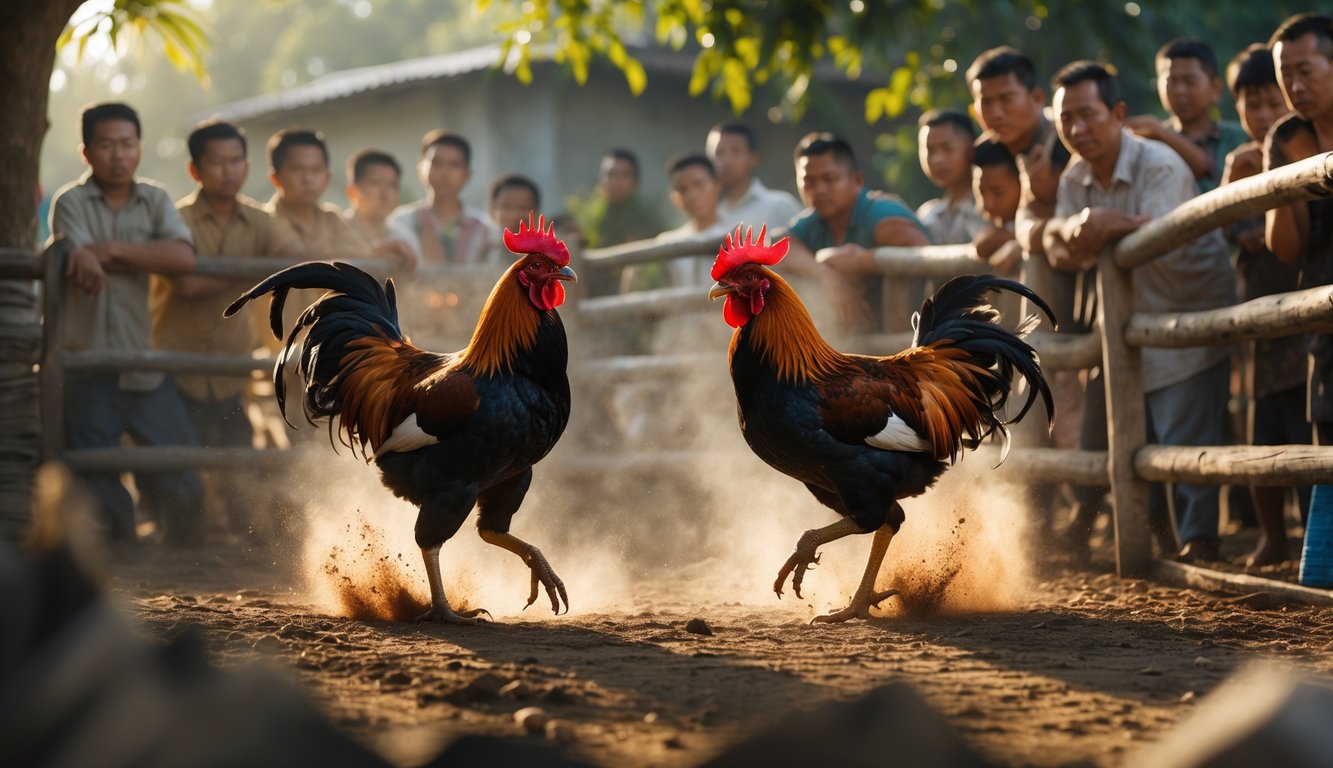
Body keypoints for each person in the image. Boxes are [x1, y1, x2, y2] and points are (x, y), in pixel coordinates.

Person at [1042, 61, 1236, 562]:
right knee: (1135, 435)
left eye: (1088, 115)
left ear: (1118, 113)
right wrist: (1085, 226)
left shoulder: (1160, 164)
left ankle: (1201, 544)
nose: (1078, 130)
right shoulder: (1077, 174)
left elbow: (1156, 238)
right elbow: (1059, 246)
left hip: (1187, 312)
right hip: (1129, 322)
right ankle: (1163, 543)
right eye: (1068, 120)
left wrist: (1100, 229)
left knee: (1185, 433)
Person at [48, 101, 204, 546]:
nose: (118, 155)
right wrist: (94, 253)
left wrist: (112, 252)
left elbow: (181, 256)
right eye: (106, 145)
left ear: (139, 147)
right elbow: (75, 252)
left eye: (127, 144)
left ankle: (187, 556)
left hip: (144, 359)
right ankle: (121, 556)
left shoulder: (154, 197)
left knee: (178, 470)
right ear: (86, 152)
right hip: (88, 360)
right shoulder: (70, 201)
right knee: (96, 472)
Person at [150, 119, 304, 540]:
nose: (229, 170)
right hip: (175, 369)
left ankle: (243, 544)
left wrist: (257, 271)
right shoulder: (176, 219)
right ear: (195, 170)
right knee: (180, 465)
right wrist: (254, 276)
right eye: (217, 162)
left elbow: (291, 256)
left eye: (236, 160)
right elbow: (188, 284)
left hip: (232, 370)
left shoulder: (259, 219)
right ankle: (182, 544)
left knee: (239, 460)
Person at [1222, 42, 1310, 567]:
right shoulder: (1241, 162)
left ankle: (1311, 533)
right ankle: (1273, 535)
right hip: (1259, 305)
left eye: (1270, 103)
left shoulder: (1308, 149)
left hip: (1304, 296)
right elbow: (1228, 224)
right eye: (1250, 105)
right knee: (1263, 427)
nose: (1261, 115)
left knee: (1307, 420)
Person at [1265, 14, 1333, 559]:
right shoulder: (1286, 138)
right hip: (1321, 313)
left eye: (1305, 70)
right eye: (1286, 74)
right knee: (1327, 435)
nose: (1295, 85)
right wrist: (1289, 177)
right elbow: (1285, 248)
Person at [781, 132, 930, 333]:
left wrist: (863, 261)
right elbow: (777, 243)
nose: (819, 190)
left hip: (912, 337)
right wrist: (827, 276)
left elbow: (926, 258)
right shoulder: (815, 220)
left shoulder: (883, 218)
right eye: (809, 181)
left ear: (857, 180)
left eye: (829, 179)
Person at [1126, 38, 1250, 194]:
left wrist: (1161, 133)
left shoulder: (1240, 139)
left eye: (1189, 81)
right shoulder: (1148, 141)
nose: (1180, 91)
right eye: (1172, 81)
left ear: (1215, 88)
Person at [389, 130, 501, 267]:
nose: (444, 173)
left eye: (454, 165)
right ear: (420, 168)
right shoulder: (399, 223)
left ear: (467, 174)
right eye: (436, 163)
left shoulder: (487, 230)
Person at [264, 128, 372, 260]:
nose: (308, 179)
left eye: (316, 170)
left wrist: (381, 252)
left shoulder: (332, 219)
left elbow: (365, 255)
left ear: (327, 177)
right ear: (275, 178)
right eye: (297, 169)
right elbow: (298, 260)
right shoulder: (265, 220)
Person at [576, 148, 666, 296]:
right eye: (611, 174)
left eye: (624, 175)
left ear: (636, 182)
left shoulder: (648, 220)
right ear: (600, 180)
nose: (616, 182)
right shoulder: (587, 219)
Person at [705, 122, 801, 233]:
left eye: (736, 151)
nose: (727, 161)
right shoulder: (707, 214)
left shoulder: (779, 206)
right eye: (719, 152)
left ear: (753, 158)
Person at [651, 153, 728, 289]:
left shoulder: (739, 236)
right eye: (682, 189)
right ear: (674, 198)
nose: (692, 195)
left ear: (717, 186)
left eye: (698, 185)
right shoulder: (666, 242)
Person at [915, 110, 988, 246]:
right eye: (930, 150)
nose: (937, 160)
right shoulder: (928, 215)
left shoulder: (990, 209)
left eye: (947, 148)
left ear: (971, 150)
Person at [343, 148, 418, 271]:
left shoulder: (405, 239)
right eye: (375, 183)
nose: (385, 193)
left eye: (392, 185)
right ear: (353, 191)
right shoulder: (334, 230)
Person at [970, 137, 1024, 277]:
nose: (987, 204)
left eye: (998, 192)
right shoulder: (995, 222)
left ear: (1024, 183)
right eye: (980, 192)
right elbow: (982, 246)